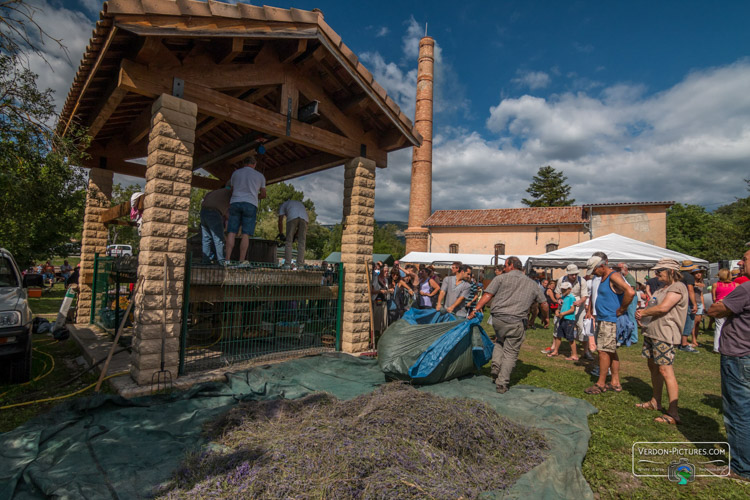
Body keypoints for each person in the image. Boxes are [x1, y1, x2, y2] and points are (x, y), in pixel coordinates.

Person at [469, 256, 548, 394]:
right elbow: (544, 304)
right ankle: (502, 382)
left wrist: (475, 310)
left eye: (505, 266)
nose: (504, 268)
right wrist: (546, 317)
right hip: (517, 321)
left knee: (500, 341)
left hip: (498, 319)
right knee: (511, 352)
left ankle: (495, 366)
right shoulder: (532, 284)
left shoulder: (501, 278)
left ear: (511, 265)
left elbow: (487, 295)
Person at [708, 249, 750, 479]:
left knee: (738, 412)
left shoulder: (745, 289)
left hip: (739, 356)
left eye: (745, 258)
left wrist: (723, 304)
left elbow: (715, 309)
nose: (740, 263)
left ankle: (742, 467)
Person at [634, 258, 688, 425]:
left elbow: (664, 307)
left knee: (665, 370)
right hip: (653, 333)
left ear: (671, 272)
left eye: (659, 271)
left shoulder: (677, 287)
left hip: (665, 334)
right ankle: (655, 401)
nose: (656, 274)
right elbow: (655, 306)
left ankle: (673, 413)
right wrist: (643, 315)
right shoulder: (662, 288)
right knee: (654, 367)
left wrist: (643, 313)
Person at [584, 253, 635, 395]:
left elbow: (630, 292)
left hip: (609, 320)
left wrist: (622, 309)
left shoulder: (613, 276)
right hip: (604, 318)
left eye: (594, 270)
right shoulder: (603, 277)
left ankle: (600, 383)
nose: (594, 273)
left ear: (601, 266)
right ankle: (615, 382)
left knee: (603, 351)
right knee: (610, 350)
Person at [225, 156, 266, 263]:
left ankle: (227, 260)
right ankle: (241, 261)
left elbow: (232, 190)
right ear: (255, 164)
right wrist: (254, 196)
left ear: (243, 163)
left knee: (231, 232)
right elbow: (263, 194)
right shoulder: (260, 176)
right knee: (245, 233)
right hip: (250, 203)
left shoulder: (236, 174)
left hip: (235, 201)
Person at [200, 187, 231, 265]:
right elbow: (228, 215)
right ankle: (222, 262)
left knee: (206, 239)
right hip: (214, 213)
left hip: (203, 212)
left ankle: (206, 261)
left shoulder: (216, 192)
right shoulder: (230, 193)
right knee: (219, 239)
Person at [548, 281, 578, 361]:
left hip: (569, 319)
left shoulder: (572, 298)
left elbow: (572, 309)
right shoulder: (562, 297)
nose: (563, 291)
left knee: (570, 337)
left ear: (569, 289)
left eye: (565, 289)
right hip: (562, 318)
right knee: (558, 335)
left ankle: (574, 355)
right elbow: (560, 306)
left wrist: (563, 313)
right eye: (562, 289)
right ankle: (556, 351)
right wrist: (557, 311)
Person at [712, 268, 737, 353]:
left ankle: (716, 347)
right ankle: (731, 346)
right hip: (732, 307)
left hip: (719, 307)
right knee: (732, 327)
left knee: (719, 327)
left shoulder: (715, 285)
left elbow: (714, 298)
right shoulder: (736, 285)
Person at [277, 199, 308, 267]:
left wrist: (281, 233)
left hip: (292, 217)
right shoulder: (299, 203)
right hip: (305, 219)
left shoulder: (283, 205)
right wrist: (296, 235)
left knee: (289, 242)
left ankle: (287, 264)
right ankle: (300, 265)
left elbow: (280, 221)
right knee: (302, 243)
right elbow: (301, 226)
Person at [678, 260, 699, 353]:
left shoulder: (678, 276)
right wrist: (694, 304)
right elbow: (690, 291)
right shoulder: (689, 277)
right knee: (689, 322)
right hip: (687, 302)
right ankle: (684, 344)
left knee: (680, 322)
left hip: (678, 301)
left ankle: (679, 341)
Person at [618, 263, 638, 345]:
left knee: (631, 316)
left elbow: (631, 290)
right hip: (626, 298)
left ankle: (634, 338)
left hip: (631, 298)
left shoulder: (629, 277)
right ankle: (627, 336)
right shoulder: (623, 277)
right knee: (627, 317)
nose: (618, 270)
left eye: (619, 268)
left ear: (624, 269)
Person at [690, 268, 706, 347]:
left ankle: (695, 338)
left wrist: (703, 306)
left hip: (699, 303)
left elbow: (701, 295)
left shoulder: (701, 282)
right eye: (696, 273)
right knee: (694, 322)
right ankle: (693, 339)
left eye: (700, 273)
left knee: (698, 322)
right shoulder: (691, 282)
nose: (699, 274)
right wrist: (696, 284)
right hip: (693, 303)